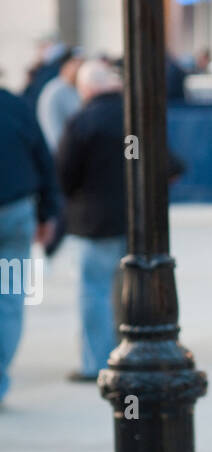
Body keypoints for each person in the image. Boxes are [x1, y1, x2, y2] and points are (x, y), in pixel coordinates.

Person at [56, 60, 127, 382]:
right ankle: (129, 354)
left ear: (87, 88)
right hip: (134, 221)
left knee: (94, 292)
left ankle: (97, 363)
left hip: (93, 220)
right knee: (129, 290)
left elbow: (64, 174)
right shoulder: (137, 117)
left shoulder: (83, 121)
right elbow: (169, 164)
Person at [0, 86, 58, 402]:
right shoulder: (15, 106)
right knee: (8, 297)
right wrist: (48, 213)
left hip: (15, 214)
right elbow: (43, 157)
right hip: (14, 213)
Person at [36, 47, 83, 151]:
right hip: (62, 153)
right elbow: (52, 130)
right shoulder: (54, 92)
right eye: (76, 63)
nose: (81, 67)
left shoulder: (78, 88)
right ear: (66, 65)